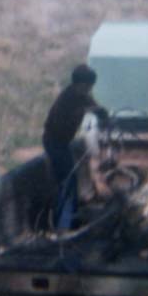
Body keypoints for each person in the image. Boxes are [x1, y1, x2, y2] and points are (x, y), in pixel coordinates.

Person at [42, 63, 109, 230]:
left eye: (90, 88)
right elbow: (59, 125)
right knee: (67, 182)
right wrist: (83, 111)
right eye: (86, 87)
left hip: (63, 144)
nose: (88, 90)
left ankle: (68, 218)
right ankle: (63, 226)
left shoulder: (82, 96)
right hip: (54, 143)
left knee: (70, 182)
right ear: (77, 84)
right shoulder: (67, 99)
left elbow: (94, 107)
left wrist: (101, 112)